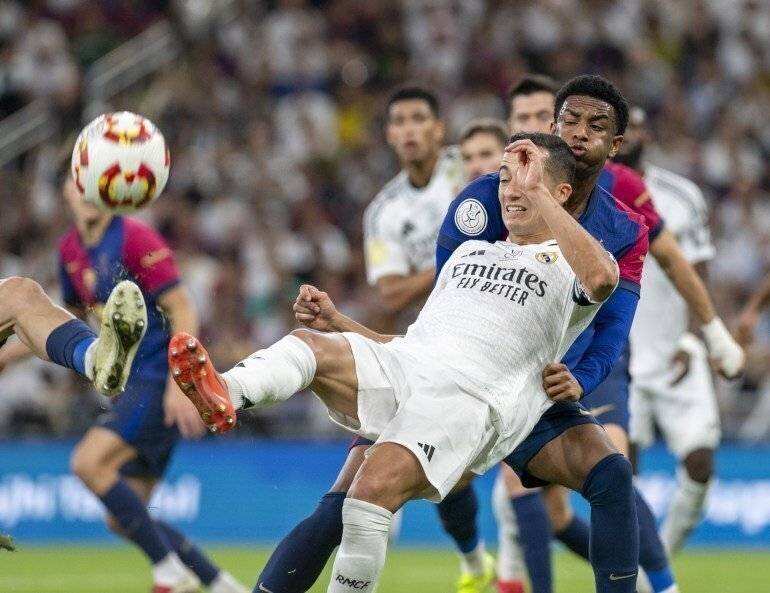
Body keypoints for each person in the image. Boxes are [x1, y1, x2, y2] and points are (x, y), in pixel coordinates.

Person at [171, 132, 642, 593]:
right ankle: (225, 392)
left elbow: (603, 281)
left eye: (526, 178)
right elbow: (419, 341)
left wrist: (538, 191)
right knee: (307, 344)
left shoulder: (572, 262)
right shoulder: (470, 252)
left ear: (559, 192)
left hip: (469, 398)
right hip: (409, 365)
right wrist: (342, 324)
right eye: (504, 179)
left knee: (368, 492)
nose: (511, 190)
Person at [439, 74, 744, 593]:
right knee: (522, 505)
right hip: (498, 367)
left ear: (615, 143)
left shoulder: (624, 192)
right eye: (550, 120)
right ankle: (491, 569)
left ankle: (660, 584)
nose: (573, 133)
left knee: (611, 469)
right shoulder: (499, 189)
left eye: (593, 125)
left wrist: (710, 333)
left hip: (587, 364)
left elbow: (661, 264)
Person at [255, 86, 496, 593]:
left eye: (419, 119)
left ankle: (477, 562)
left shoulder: (478, 169)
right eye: (399, 121)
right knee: (354, 494)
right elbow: (389, 292)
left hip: (482, 354)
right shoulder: (385, 211)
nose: (409, 129)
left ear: (438, 129)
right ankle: (477, 565)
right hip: (411, 351)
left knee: (456, 481)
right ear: (389, 134)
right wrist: (466, 262)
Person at [0, 177, 248, 593]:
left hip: (154, 378)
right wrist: (9, 355)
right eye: (79, 182)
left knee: (87, 464)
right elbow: (64, 323)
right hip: (131, 383)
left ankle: (169, 571)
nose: (87, 193)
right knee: (125, 517)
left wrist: (178, 380)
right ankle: (222, 585)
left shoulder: (134, 237)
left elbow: (183, 308)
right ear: (65, 190)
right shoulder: (69, 251)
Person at [615, 107, 720, 557]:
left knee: (700, 463)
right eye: (626, 126)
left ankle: (664, 557)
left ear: (647, 134)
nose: (633, 133)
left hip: (676, 348)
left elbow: (697, 270)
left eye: (639, 124)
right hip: (622, 354)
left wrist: (693, 336)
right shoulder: (596, 192)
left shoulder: (681, 196)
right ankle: (640, 568)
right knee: (623, 469)